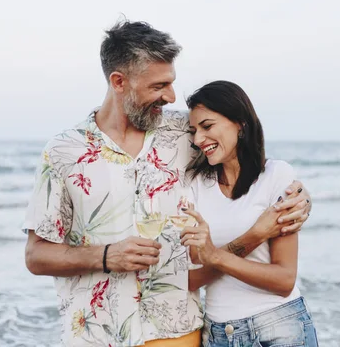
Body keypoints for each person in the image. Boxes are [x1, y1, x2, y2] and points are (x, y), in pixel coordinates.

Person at [23, 20, 312, 347]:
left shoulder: (185, 133)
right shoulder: (63, 152)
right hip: (95, 336)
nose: (171, 96)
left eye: (171, 83)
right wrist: (106, 256)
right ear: (119, 82)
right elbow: (36, 255)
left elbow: (246, 162)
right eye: (159, 86)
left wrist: (298, 197)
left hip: (178, 332)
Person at [180, 81, 319, 347]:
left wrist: (217, 256)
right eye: (194, 131)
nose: (198, 139)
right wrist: (255, 235)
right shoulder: (195, 186)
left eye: (208, 126)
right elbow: (192, 278)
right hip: (219, 334)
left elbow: (283, 280)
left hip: (279, 327)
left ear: (240, 124)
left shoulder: (277, 176)